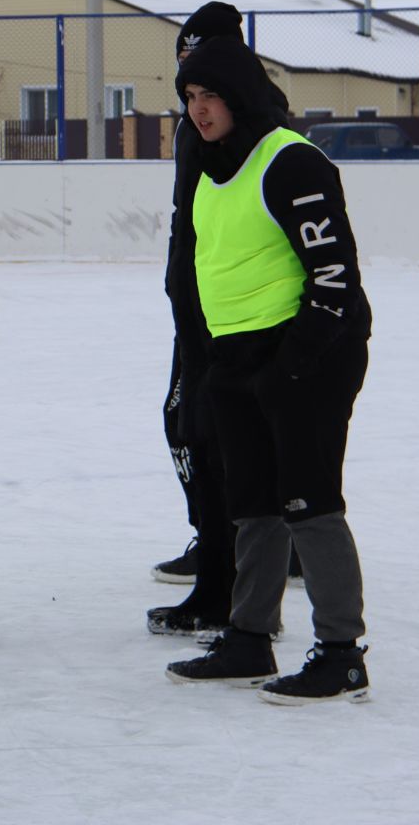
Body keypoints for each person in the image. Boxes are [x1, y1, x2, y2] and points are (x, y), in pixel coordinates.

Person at [163, 34, 375, 704]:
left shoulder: (291, 162)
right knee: (248, 502)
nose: (199, 110)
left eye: (210, 95)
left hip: (307, 353)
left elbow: (335, 277)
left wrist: (291, 367)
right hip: (236, 355)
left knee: (308, 501)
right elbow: (208, 269)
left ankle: (341, 654)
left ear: (241, 94)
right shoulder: (208, 163)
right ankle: (250, 636)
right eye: (190, 97)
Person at [148, 4, 291, 638]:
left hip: (241, 315)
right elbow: (191, 215)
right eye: (185, 76)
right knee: (193, 431)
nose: (194, 93)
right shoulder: (195, 122)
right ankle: (216, 565)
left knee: (220, 439)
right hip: (199, 303)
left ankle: (237, 575)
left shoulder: (258, 127)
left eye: (201, 70)